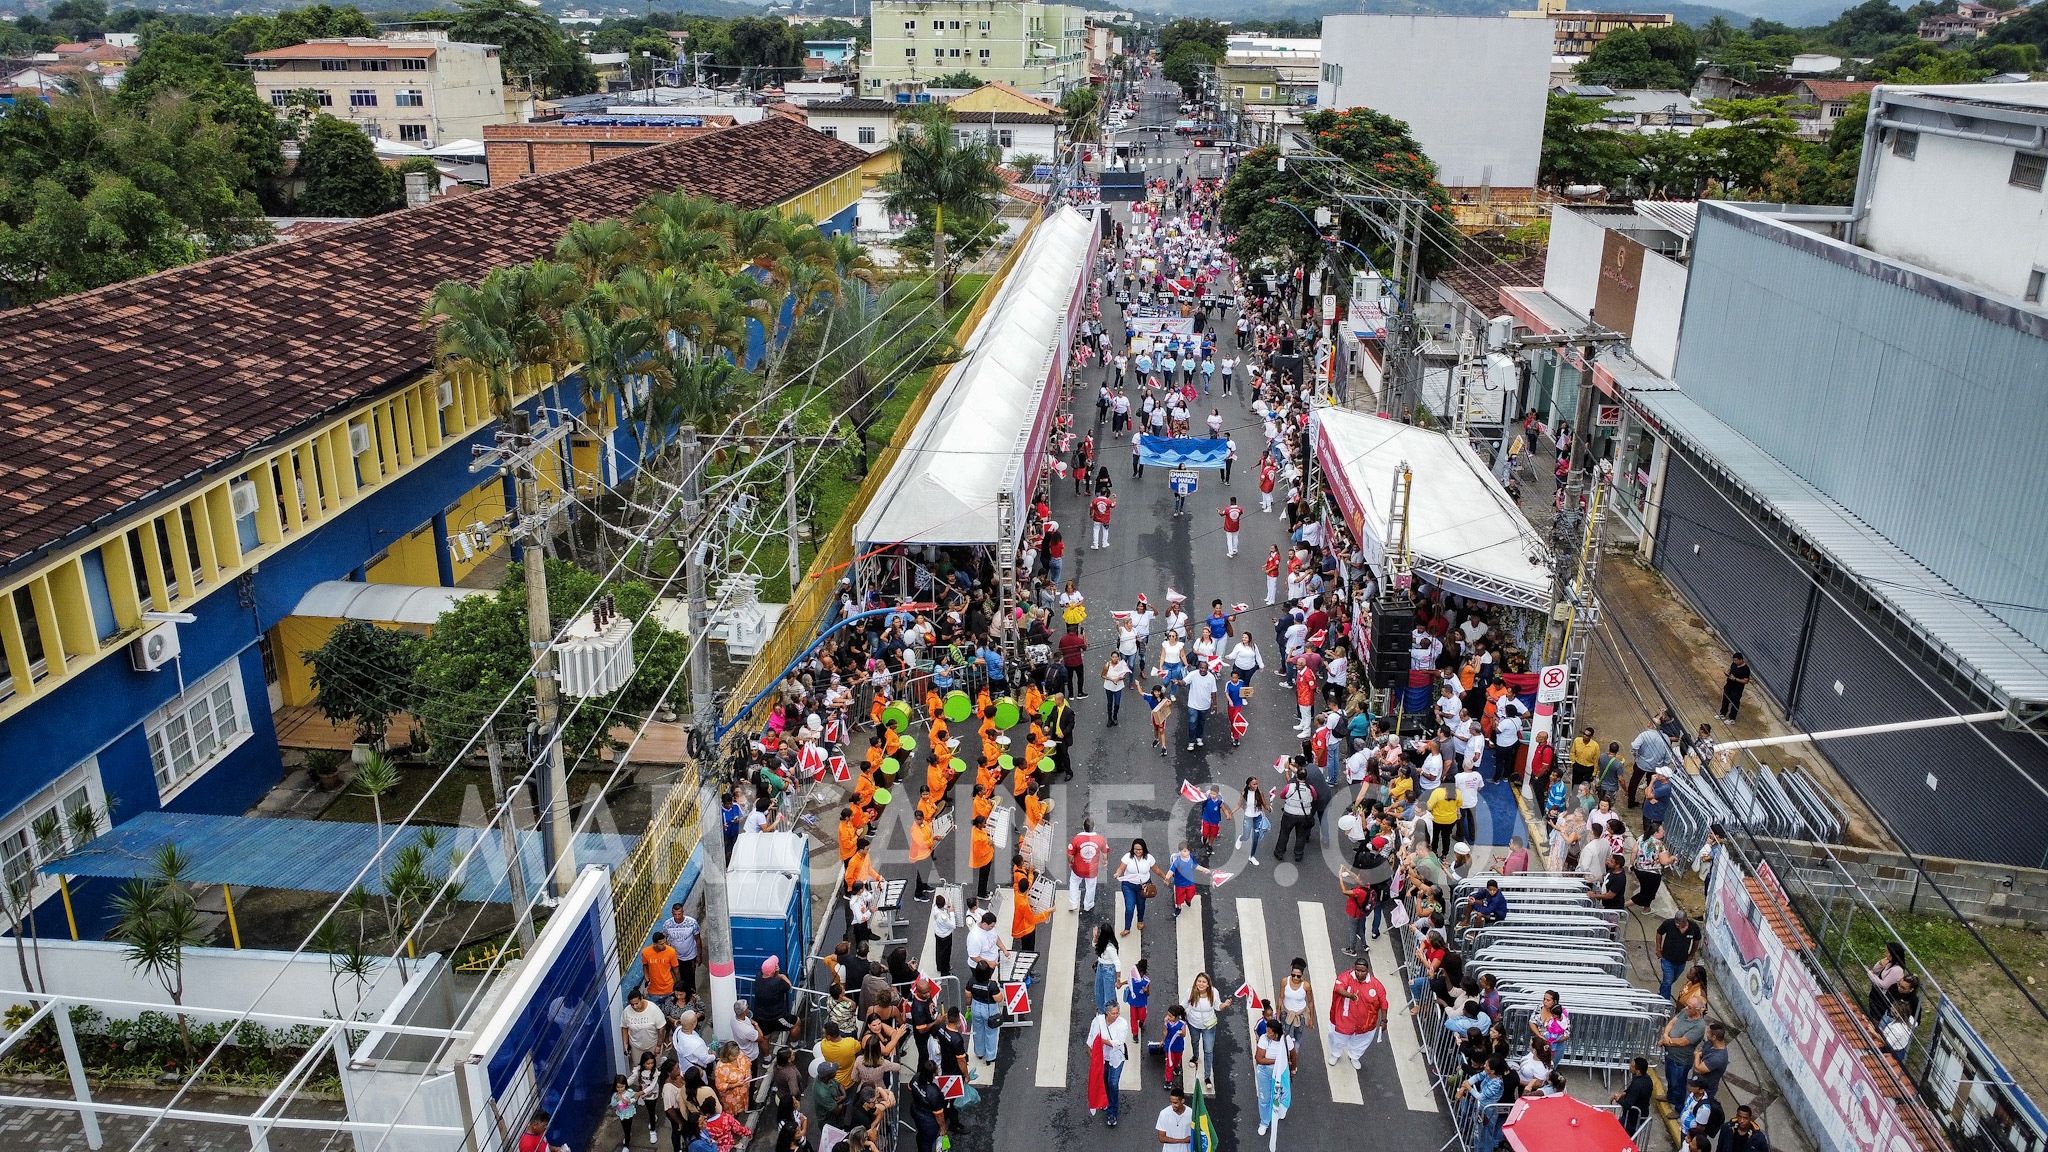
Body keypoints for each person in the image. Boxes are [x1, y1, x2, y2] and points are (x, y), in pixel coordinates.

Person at [1327, 954, 1388, 1069]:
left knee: (1361, 1041)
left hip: (1366, 1022)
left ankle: (1354, 1056)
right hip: (1344, 1019)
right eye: (1357, 970)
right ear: (1354, 969)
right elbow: (1339, 989)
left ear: (1367, 971)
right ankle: (1335, 1054)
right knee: (1337, 1038)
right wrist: (1350, 995)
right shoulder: (1345, 977)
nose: (1360, 973)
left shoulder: (1376, 985)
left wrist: (1384, 1020)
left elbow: (1384, 1003)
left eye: (1363, 971)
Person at [1252, 999, 1297, 1137]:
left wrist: (1293, 1069)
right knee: (1265, 1098)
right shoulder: (1264, 1039)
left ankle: (1280, 1110)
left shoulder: (1286, 1040)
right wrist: (1277, 1061)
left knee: (1282, 1094)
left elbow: (1293, 1055)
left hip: (1281, 1072)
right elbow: (1259, 1058)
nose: (1266, 1033)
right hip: (1265, 1072)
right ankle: (1264, 1122)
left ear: (1276, 1033)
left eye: (1270, 1032)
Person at [1086, 1000, 1134, 1126]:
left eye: (1117, 1012)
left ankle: (1112, 1112)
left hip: (1116, 1058)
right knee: (1103, 1080)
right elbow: (1092, 1036)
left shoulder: (1122, 1023)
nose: (1116, 1015)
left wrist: (1102, 1041)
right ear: (1107, 1013)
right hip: (1102, 1057)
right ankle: (1105, 1100)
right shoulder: (1098, 1021)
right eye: (1113, 1013)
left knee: (1113, 1083)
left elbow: (1119, 1042)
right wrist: (1091, 1049)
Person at [1116, 838, 1171, 936]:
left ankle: (1140, 921)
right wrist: (1118, 873)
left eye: (1140, 850)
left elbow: (1156, 870)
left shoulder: (1149, 858)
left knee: (1141, 905)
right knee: (1129, 907)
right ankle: (1127, 928)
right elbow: (1121, 868)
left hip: (1144, 886)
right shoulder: (1127, 857)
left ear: (1144, 849)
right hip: (1128, 885)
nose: (1137, 851)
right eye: (1135, 849)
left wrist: (1164, 878)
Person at [1661, 996, 1707, 1103]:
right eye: (1686, 1005)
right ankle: (1670, 1097)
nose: (1686, 1008)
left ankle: (1678, 1106)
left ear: (1697, 1010)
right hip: (1670, 1054)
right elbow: (1672, 1022)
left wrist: (1667, 1041)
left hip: (1681, 1060)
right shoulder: (1684, 1012)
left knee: (1679, 1084)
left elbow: (1683, 1042)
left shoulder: (1699, 1026)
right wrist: (1666, 1035)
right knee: (1670, 1079)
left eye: (1689, 1007)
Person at [658, 903, 702, 1003]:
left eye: (679, 914)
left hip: (690, 956)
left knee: (690, 980)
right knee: (678, 980)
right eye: (675, 914)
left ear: (683, 912)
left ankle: (691, 1000)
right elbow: (663, 939)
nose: (677, 917)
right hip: (675, 958)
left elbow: (698, 939)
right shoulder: (667, 924)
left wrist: (699, 955)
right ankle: (680, 1001)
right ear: (672, 913)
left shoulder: (692, 923)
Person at [1656, 908, 1702, 1001]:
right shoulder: (1668, 924)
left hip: (1681, 961)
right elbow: (1659, 933)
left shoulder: (1693, 927)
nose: (1677, 924)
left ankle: (1662, 991)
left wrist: (1692, 954)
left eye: (1679, 922)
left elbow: (1697, 940)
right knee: (1668, 981)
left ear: (1685, 921)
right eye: (1676, 922)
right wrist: (1658, 949)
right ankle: (1665, 1003)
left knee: (1671, 980)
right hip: (1667, 959)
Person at [1068, 816, 1108, 912]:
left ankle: (1073, 903)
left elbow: (1070, 854)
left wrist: (1070, 863)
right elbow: (1105, 852)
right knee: (1090, 887)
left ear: (1083, 827)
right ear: (1093, 827)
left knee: (1074, 883)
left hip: (1078, 868)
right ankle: (1088, 905)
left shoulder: (1077, 838)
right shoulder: (1100, 839)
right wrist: (1105, 860)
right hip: (1092, 870)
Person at [624, 988, 670, 1067]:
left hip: (652, 1045)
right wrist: (625, 1044)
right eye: (632, 1005)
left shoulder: (653, 1009)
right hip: (636, 1047)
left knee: (654, 1067)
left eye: (636, 1003)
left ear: (641, 999)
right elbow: (624, 1027)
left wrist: (658, 1045)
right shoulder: (626, 1011)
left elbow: (661, 1028)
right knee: (638, 1068)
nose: (634, 1007)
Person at [642, 932, 683, 1018]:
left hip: (669, 989)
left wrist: (679, 984)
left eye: (665, 942)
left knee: (672, 1015)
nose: (664, 945)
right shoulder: (646, 952)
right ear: (654, 944)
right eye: (661, 944)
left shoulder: (671, 951)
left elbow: (676, 969)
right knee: (656, 1017)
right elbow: (645, 965)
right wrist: (647, 978)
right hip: (653, 991)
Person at [1614, 1056, 1655, 1134]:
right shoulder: (1646, 1079)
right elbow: (1632, 1091)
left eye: (1632, 1066)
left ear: (1638, 1071)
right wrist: (1624, 1093)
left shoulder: (1637, 1084)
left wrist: (1618, 1099)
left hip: (1632, 1119)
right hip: (1640, 1114)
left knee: (1620, 1135)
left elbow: (1628, 1104)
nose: (1630, 1066)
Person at [1093, 922, 1124, 1013]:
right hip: (1101, 966)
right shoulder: (1103, 941)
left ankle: (1111, 1012)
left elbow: (1117, 962)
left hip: (1108, 970)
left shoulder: (1110, 947)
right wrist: (1095, 938)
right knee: (1099, 990)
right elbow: (1095, 946)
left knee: (1109, 994)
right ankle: (1102, 1010)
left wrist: (1118, 979)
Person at [1157, 1087, 1195, 1151]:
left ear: (1182, 1101)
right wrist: (1183, 1140)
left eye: (1175, 1103)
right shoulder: (1164, 1114)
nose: (1172, 1105)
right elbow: (1162, 1138)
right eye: (1171, 1102)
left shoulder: (1191, 1113)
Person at [1718, 652, 1752, 722]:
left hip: (1737, 689)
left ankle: (1732, 718)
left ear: (1741, 660)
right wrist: (1728, 673)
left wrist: (1735, 679)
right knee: (1725, 699)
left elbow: (1746, 681)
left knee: (1734, 702)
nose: (1734, 662)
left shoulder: (1745, 669)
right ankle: (1723, 713)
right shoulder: (1734, 664)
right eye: (1734, 660)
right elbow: (1730, 669)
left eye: (1736, 660)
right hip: (1729, 685)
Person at [931, 892, 956, 976]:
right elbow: (953, 925)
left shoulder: (935, 908)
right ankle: (945, 972)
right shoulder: (943, 917)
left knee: (939, 951)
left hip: (938, 933)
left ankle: (940, 967)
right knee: (945, 954)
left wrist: (947, 907)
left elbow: (941, 907)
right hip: (945, 936)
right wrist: (952, 913)